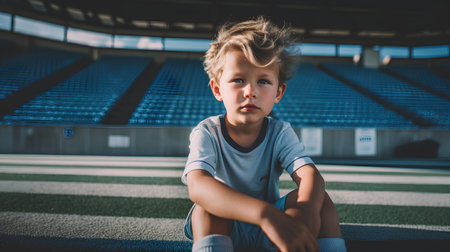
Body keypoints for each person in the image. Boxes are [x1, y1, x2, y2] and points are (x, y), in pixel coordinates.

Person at [181, 16, 346, 252]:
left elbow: (310, 175)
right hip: (228, 223)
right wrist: (265, 214)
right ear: (217, 89)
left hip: (275, 228)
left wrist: (306, 215)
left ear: (279, 93)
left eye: (263, 81)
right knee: (205, 208)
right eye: (238, 80)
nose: (250, 92)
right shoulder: (207, 131)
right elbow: (197, 186)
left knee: (321, 201)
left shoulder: (279, 131)